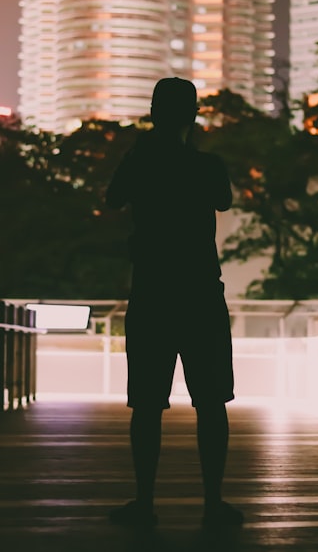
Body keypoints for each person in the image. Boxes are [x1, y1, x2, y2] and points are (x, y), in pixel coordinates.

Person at [105, 76, 243, 528]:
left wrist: (143, 152)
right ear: (194, 114)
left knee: (147, 404)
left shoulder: (140, 161)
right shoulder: (208, 166)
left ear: (152, 112)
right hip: (201, 291)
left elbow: (112, 199)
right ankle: (213, 502)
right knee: (211, 402)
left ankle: (144, 502)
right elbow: (223, 200)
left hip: (152, 292)